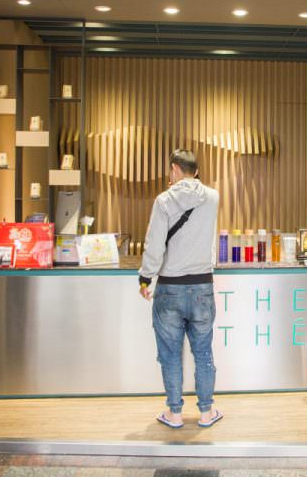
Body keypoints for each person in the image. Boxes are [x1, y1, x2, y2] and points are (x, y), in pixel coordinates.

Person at [138, 149, 222, 429]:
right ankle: (206, 413)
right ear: (196, 171)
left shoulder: (163, 200)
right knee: (203, 353)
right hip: (202, 286)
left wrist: (145, 278)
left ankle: (174, 414)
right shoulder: (212, 197)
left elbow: (154, 243)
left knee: (171, 355)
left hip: (170, 288)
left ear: (174, 168)